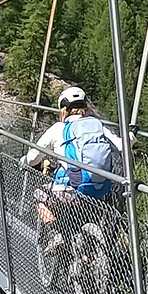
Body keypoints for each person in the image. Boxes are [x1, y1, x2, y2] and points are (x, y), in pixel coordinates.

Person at [22, 86, 123, 218]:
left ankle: (52, 228)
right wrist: (132, 135)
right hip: (100, 192)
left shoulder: (59, 128)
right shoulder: (98, 125)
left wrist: (24, 161)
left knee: (38, 194)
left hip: (70, 192)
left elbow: (33, 158)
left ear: (63, 109)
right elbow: (122, 145)